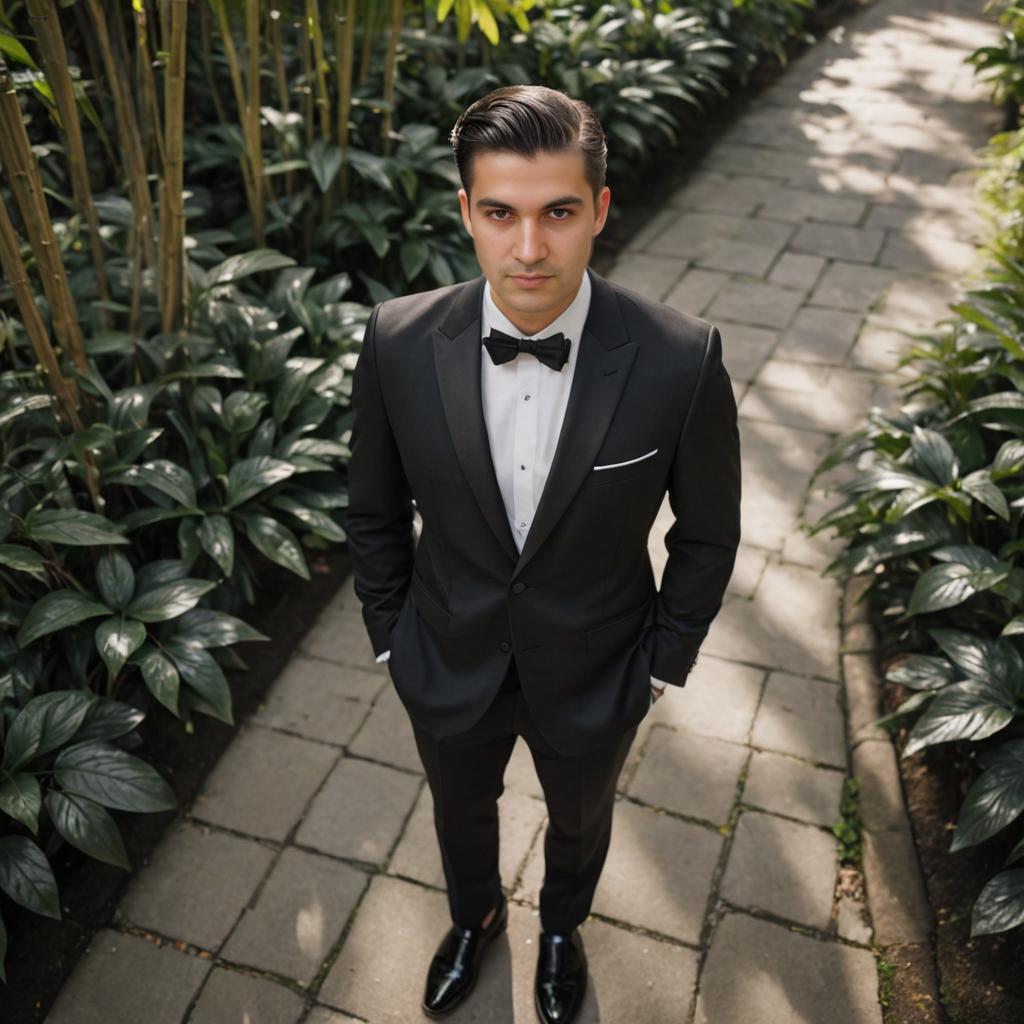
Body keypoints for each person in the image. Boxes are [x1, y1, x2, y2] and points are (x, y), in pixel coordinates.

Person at [345, 83, 741, 1023]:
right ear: (466, 213)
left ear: (599, 210)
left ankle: (563, 929)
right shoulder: (398, 341)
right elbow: (371, 512)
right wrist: (393, 640)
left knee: (580, 821)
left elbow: (709, 532)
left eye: (558, 212)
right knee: (458, 812)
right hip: (443, 655)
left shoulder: (680, 357)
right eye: (502, 214)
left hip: (601, 669)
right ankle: (475, 916)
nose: (530, 248)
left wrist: (661, 665)